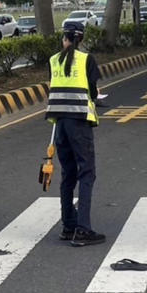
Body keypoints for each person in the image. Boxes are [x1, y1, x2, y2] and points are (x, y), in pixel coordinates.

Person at [46, 28, 104, 246]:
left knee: (68, 174)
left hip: (59, 124)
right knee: (87, 173)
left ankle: (68, 226)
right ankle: (83, 230)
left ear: (65, 40)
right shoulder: (87, 59)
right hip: (79, 123)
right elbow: (93, 92)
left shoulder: (52, 61)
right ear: (80, 41)